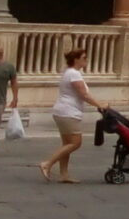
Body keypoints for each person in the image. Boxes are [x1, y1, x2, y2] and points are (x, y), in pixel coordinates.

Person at [38, 47, 101, 183]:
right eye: (84, 58)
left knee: (67, 144)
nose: (86, 60)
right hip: (68, 111)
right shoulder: (74, 74)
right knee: (75, 143)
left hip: (63, 110)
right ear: (76, 59)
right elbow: (83, 94)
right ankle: (48, 163)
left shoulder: (69, 72)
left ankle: (64, 174)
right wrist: (100, 105)